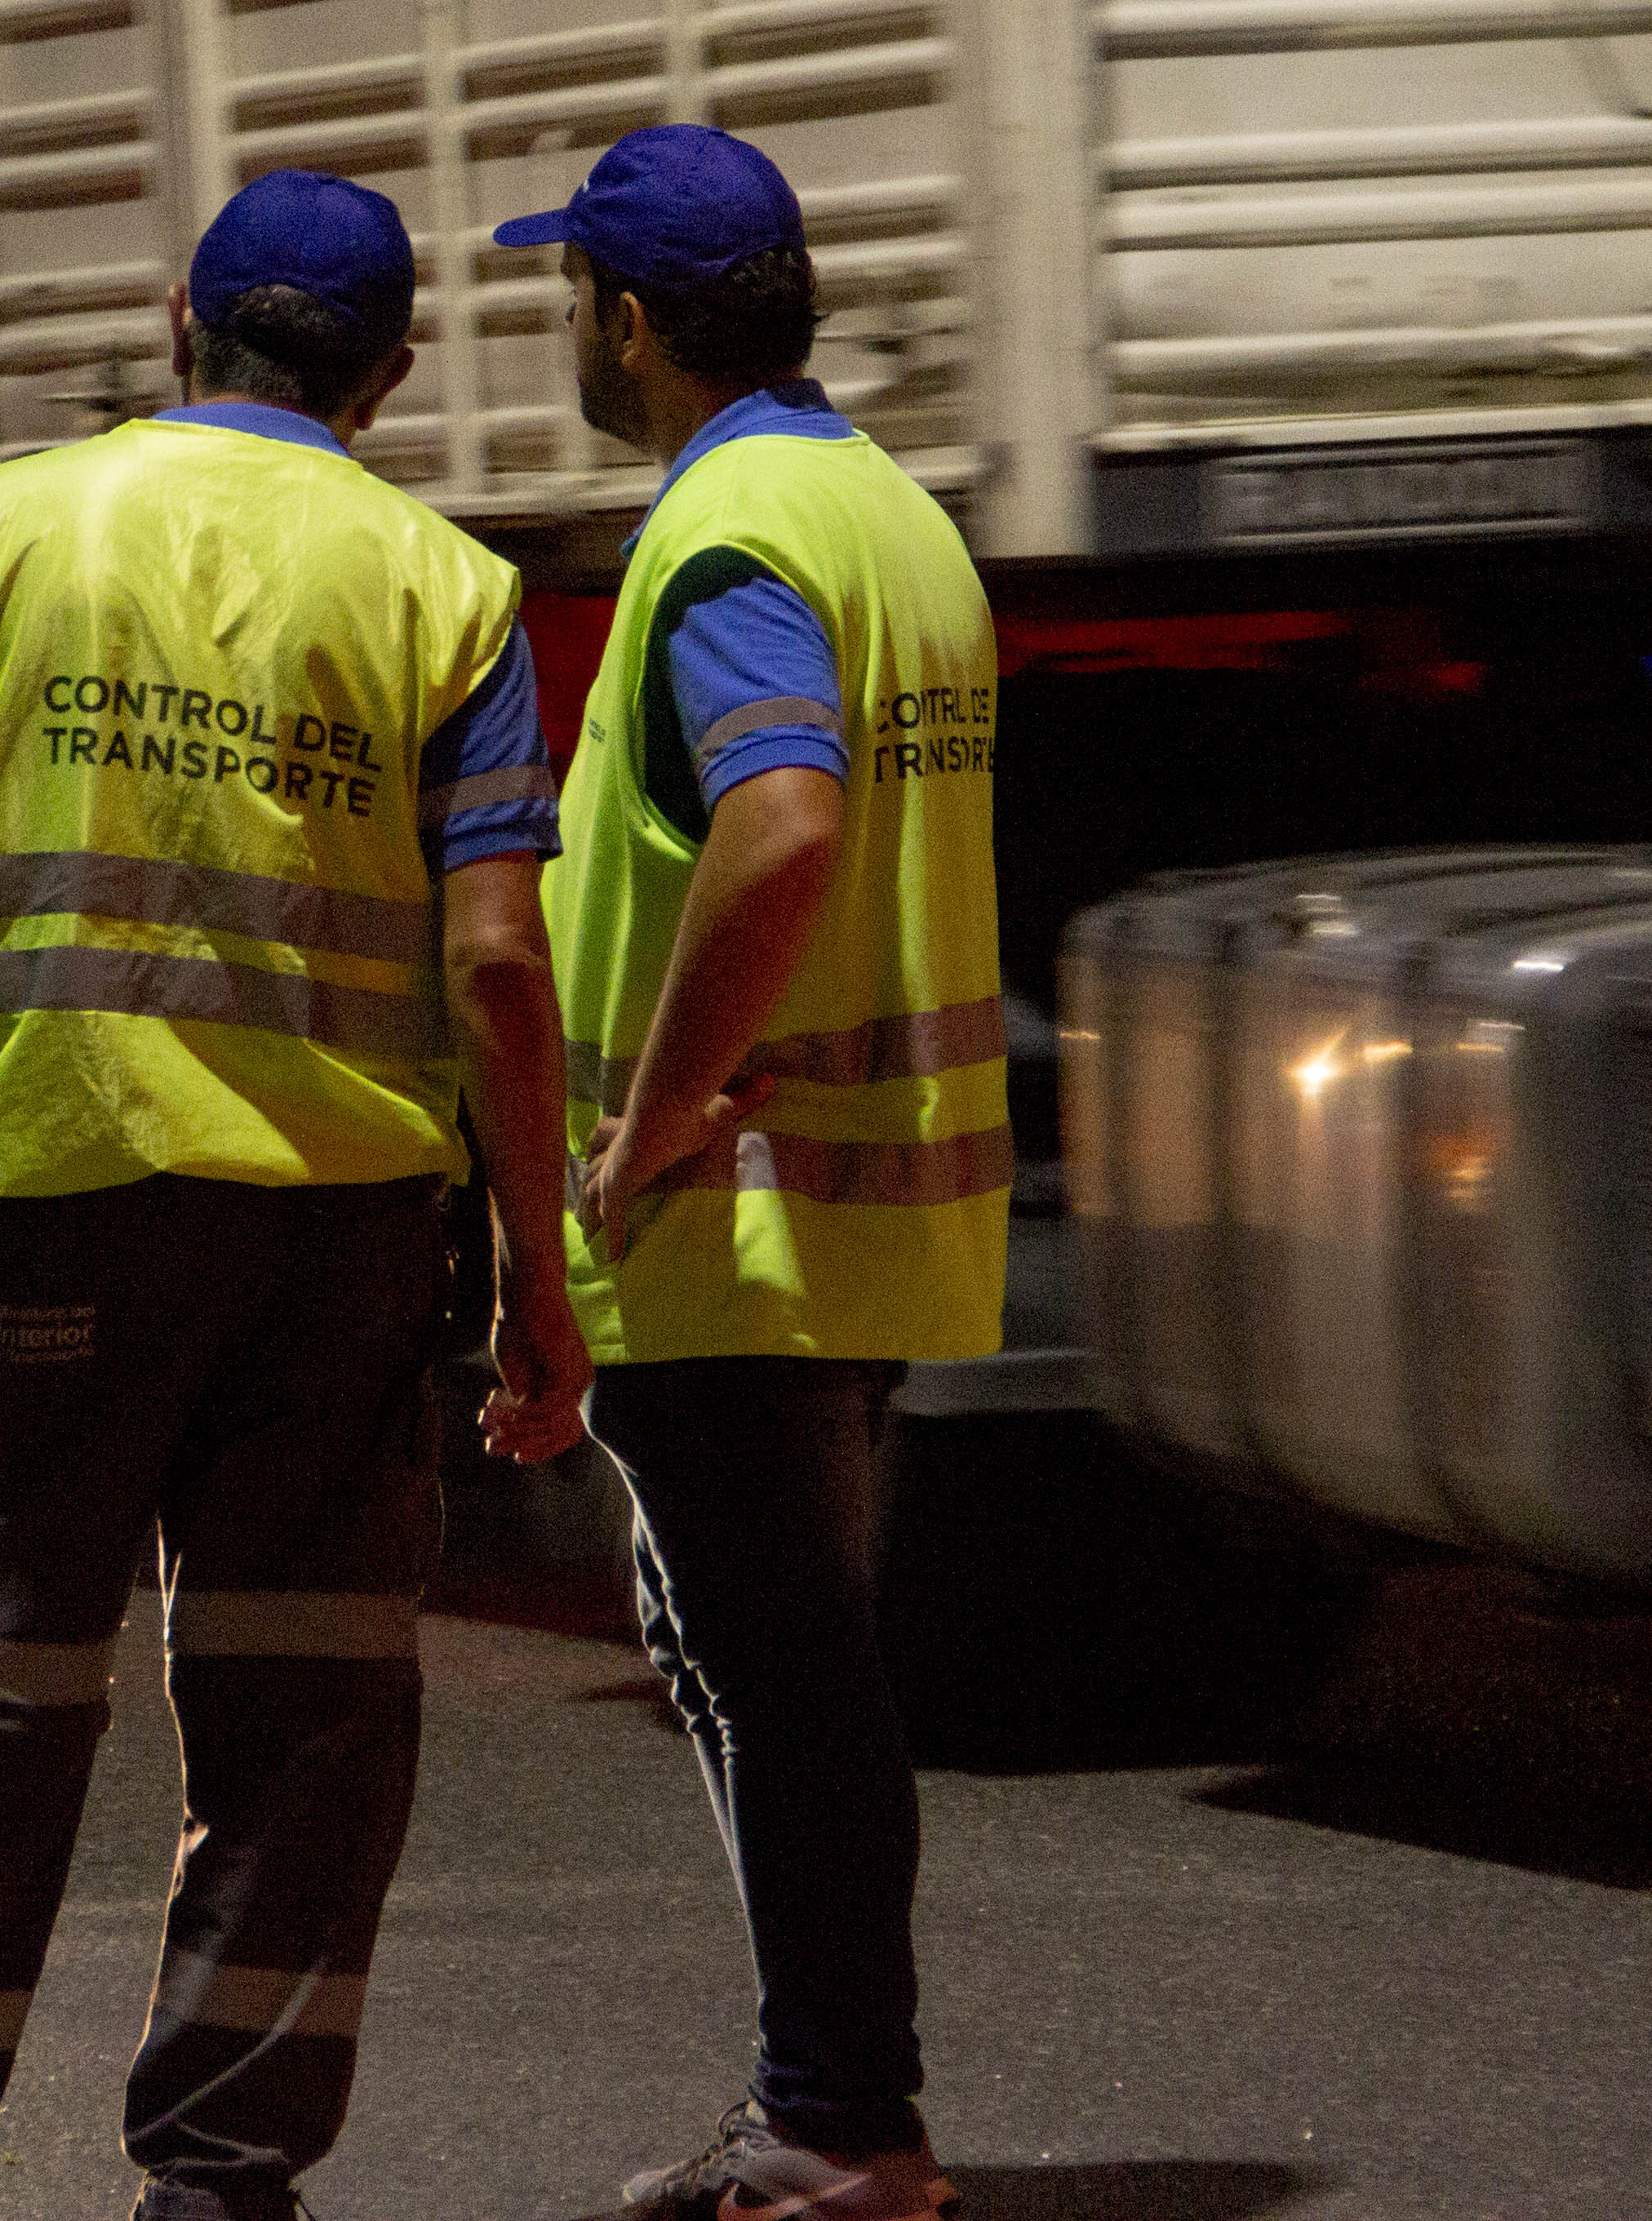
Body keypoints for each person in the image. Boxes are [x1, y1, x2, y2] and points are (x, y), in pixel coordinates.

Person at [0, 167, 595, 2221]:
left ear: (173, 324)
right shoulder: (447, 597)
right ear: (389, 376)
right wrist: (540, 1284)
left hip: (65, 1207)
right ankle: (223, 2185)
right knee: (308, 1723)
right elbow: (494, 963)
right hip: (344, 1255)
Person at [494, 127, 1008, 2221]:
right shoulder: (894, 516)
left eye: (572, 307)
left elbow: (781, 824)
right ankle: (840, 2106)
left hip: (745, 1223)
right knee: (807, 1665)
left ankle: (838, 2125)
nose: (572, 340)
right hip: (876, 1209)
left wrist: (644, 1119)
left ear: (630, 322)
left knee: (772, 1676)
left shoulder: (724, 543)